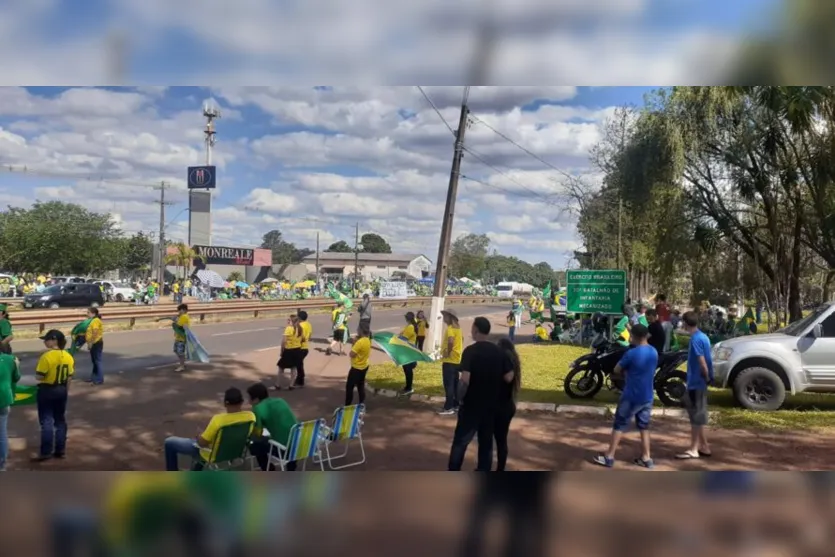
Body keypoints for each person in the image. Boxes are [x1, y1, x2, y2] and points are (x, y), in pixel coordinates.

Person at [448, 317, 514, 472]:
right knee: (486, 444)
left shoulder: (470, 351)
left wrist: (459, 398)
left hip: (471, 405)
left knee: (461, 442)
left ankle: (453, 469)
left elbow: (465, 380)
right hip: (491, 406)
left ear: (475, 330)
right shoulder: (499, 351)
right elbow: (509, 376)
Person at [592, 324, 657, 468]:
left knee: (619, 425)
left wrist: (626, 372)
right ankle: (647, 458)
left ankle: (609, 457)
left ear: (635, 337)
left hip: (631, 396)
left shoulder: (631, 354)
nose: (630, 338)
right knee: (644, 426)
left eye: (631, 336)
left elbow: (616, 369)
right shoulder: (654, 351)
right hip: (647, 396)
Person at [163, 387, 255, 471]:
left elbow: (202, 443)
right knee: (209, 444)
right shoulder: (251, 417)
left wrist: (198, 436)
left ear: (225, 403)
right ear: (242, 402)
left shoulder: (218, 420)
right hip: (234, 452)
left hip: (212, 454)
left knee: (169, 442)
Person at [676, 311, 714, 460]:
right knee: (696, 414)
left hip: (697, 382)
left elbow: (702, 362)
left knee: (695, 417)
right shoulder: (703, 336)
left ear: (685, 323)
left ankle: (693, 449)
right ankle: (704, 445)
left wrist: (706, 376)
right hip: (698, 382)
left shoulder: (695, 339)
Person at [32, 329, 75, 462]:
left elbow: (39, 376)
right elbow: (69, 377)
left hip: (47, 390)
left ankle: (46, 451)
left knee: (47, 420)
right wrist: (65, 391)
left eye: (47, 339)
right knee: (60, 420)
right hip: (62, 390)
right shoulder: (68, 356)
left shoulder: (46, 356)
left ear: (54, 340)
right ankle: (60, 450)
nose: (45, 342)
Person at [246, 382, 299, 471]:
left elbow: (258, 433)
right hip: (299, 445)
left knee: (255, 445)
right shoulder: (280, 401)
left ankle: (267, 468)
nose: (248, 401)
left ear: (256, 399)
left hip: (284, 450)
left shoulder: (257, 408)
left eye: (249, 398)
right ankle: (291, 466)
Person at [494, 338, 520, 471]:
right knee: (500, 440)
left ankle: (498, 468)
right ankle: (499, 468)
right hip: (507, 406)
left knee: (497, 440)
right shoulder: (513, 360)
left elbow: (507, 377)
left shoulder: (505, 361)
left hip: (500, 408)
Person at [438, 309, 463, 416]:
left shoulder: (450, 329)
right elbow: (461, 340)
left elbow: (451, 341)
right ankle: (456, 405)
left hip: (449, 360)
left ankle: (448, 407)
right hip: (457, 360)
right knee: (455, 383)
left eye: (445, 316)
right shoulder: (459, 329)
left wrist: (447, 352)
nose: (444, 318)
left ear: (450, 317)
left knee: (448, 384)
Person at [0, 349, 20, 470]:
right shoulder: (10, 359)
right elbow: (16, 377)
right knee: (2, 433)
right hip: (5, 398)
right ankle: (2, 465)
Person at [346, 323, 371, 407]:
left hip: (357, 367)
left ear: (361, 331)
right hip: (364, 366)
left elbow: (351, 354)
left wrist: (354, 343)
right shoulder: (368, 340)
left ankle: (347, 405)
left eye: (358, 329)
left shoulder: (359, 342)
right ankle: (361, 403)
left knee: (350, 387)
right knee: (360, 385)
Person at [275, 315, 303, 391]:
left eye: (289, 320)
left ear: (292, 321)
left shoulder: (288, 328)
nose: (287, 321)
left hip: (289, 350)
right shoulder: (300, 328)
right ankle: (291, 385)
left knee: (281, 367)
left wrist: (281, 351)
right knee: (293, 367)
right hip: (297, 349)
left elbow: (284, 341)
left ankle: (277, 384)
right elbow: (302, 339)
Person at [398, 312, 420, 396]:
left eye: (406, 317)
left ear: (408, 318)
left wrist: (397, 337)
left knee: (408, 369)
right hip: (408, 350)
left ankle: (409, 388)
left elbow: (403, 338)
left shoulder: (410, 327)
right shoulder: (410, 325)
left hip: (408, 351)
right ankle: (408, 387)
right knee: (407, 369)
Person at [85, 307, 105, 385]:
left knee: (97, 361)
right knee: (94, 361)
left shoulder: (96, 321)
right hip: (94, 342)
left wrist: (91, 343)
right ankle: (94, 377)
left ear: (93, 313)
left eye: (88, 312)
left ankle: (99, 379)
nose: (87, 314)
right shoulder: (92, 321)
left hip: (96, 343)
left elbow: (95, 332)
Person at [294, 310, 312, 388]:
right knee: (299, 364)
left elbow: (301, 337)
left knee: (299, 365)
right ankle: (299, 379)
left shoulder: (300, 326)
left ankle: (300, 381)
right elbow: (310, 334)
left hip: (300, 347)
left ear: (299, 317)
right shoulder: (308, 324)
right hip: (305, 347)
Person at [172, 304, 190, 372]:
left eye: (180, 310)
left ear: (184, 310)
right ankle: (182, 363)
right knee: (176, 351)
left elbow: (178, 325)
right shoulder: (182, 317)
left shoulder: (184, 317)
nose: (179, 311)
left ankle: (182, 366)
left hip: (181, 338)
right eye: (179, 310)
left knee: (180, 352)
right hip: (178, 337)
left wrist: (175, 320)